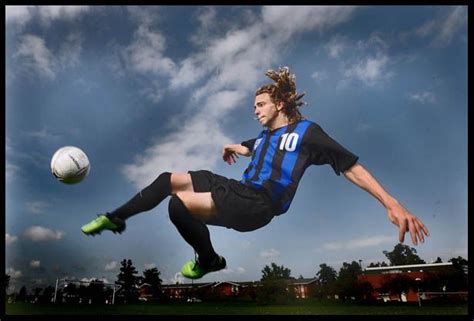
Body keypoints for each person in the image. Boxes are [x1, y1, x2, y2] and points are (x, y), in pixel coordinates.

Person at [81, 66, 430, 279]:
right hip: (238, 190)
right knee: (169, 183)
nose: (255, 110)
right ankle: (119, 219)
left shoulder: (307, 133)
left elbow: (350, 166)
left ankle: (208, 259)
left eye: (260, 105)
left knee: (179, 203)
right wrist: (234, 147)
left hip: (259, 205)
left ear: (280, 104)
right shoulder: (264, 137)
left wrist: (391, 202)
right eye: (253, 107)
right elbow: (252, 146)